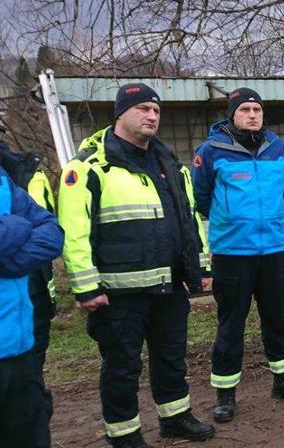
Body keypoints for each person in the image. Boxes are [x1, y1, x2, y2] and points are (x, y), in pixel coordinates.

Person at [59, 83, 215, 448]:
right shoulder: (88, 168)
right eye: (142, 108)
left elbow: (190, 221)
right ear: (121, 114)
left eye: (156, 110)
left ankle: (175, 417)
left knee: (171, 358)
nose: (151, 116)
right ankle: (125, 434)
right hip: (117, 295)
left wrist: (202, 268)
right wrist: (85, 287)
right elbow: (73, 232)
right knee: (122, 367)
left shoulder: (170, 166)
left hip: (168, 286)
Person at [192, 88, 284, 423]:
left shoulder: (279, 149)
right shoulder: (212, 151)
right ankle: (225, 396)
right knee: (231, 325)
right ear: (232, 115)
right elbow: (201, 200)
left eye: (257, 109)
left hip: (273, 250)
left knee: (277, 319)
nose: (253, 115)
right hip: (232, 254)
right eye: (245, 109)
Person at [0, 135, 58, 447]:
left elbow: (51, 231)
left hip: (20, 347)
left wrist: (8, 262)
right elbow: (29, 225)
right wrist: (20, 226)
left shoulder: (4, 177)